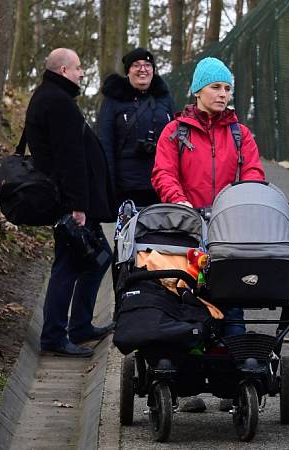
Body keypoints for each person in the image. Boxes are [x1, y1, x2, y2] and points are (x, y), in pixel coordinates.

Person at [152, 56, 264, 337]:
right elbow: (163, 172)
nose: (223, 94)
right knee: (187, 292)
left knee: (231, 295)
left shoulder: (241, 135)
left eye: (227, 88)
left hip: (228, 229)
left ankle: (238, 356)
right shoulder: (175, 132)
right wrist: (180, 201)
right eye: (216, 87)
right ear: (198, 90)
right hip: (186, 226)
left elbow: (252, 174)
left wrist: (241, 205)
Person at [26, 48, 116, 357]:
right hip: (70, 204)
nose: (81, 73)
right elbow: (69, 158)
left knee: (100, 256)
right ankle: (54, 335)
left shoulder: (50, 96)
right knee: (68, 265)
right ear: (63, 70)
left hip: (69, 200)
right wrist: (77, 206)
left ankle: (80, 325)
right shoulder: (57, 102)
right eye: (78, 68)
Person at [97, 47, 175, 208]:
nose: (142, 69)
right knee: (129, 232)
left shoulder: (164, 98)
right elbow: (105, 144)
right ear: (128, 71)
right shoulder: (113, 99)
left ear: (153, 70)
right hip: (126, 187)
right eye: (136, 65)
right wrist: (108, 185)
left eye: (147, 65)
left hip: (162, 184)